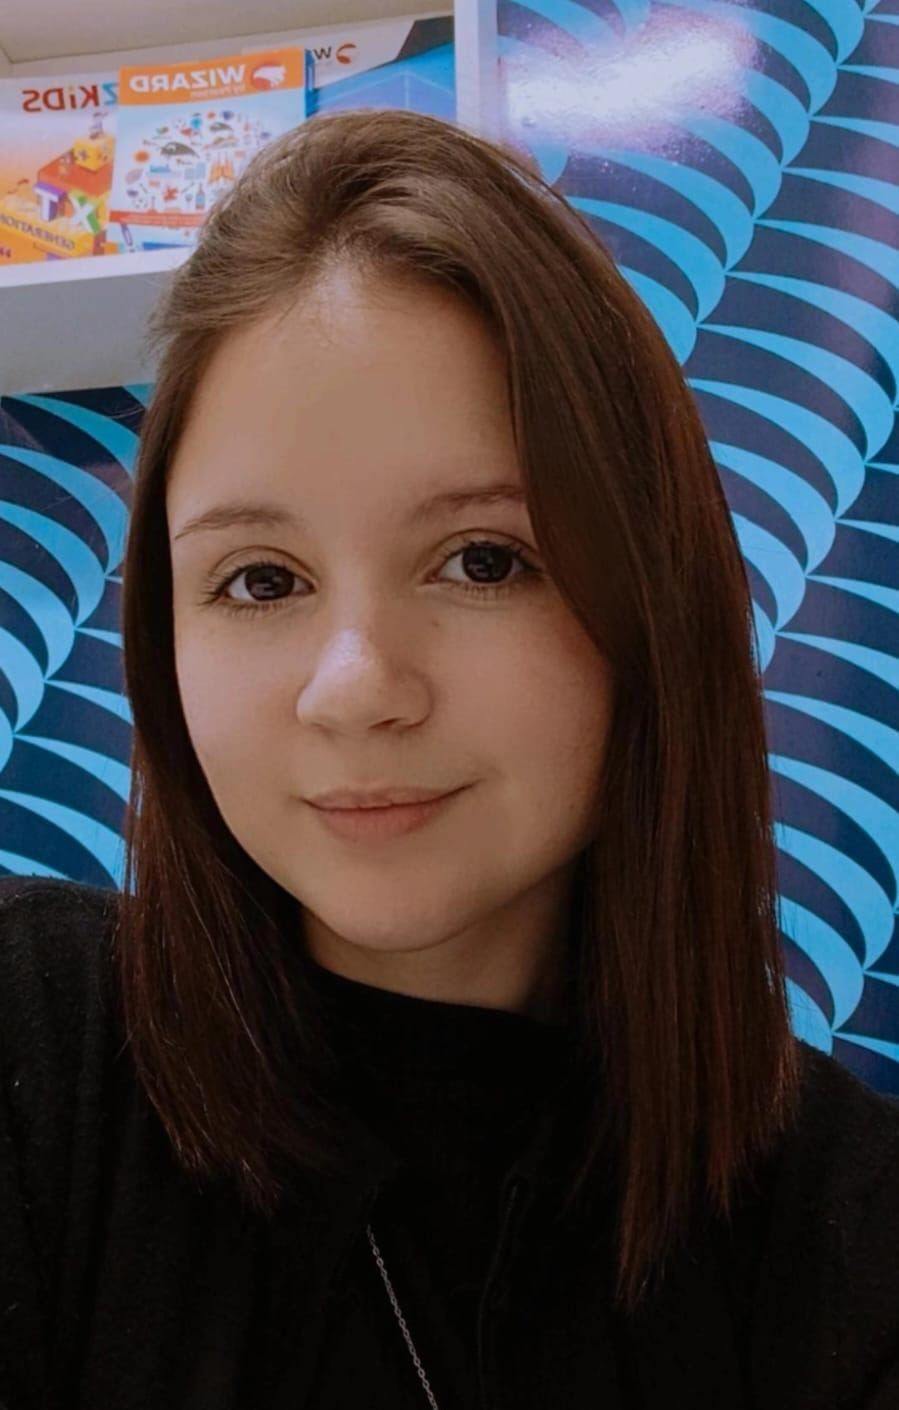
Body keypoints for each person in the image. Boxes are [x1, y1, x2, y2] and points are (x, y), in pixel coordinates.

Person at [1, 107, 898, 1410]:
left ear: (650, 602)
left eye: (483, 560)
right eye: (262, 579)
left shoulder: (840, 1234)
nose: (354, 686)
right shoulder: (39, 1060)